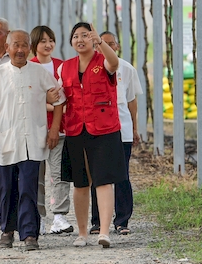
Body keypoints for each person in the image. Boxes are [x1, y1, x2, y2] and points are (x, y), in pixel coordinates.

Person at [0, 30, 64, 251]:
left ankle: (29, 234)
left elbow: (59, 100)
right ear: (7, 48)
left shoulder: (39, 72)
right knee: (6, 188)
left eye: (24, 45)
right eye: (15, 45)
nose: (20, 50)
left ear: (30, 48)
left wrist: (54, 129)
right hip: (6, 140)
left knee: (29, 188)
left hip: (33, 140)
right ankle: (7, 230)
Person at [58, 22, 126, 249]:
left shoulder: (103, 61)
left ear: (93, 39)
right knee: (80, 183)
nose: (80, 39)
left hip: (104, 129)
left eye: (85, 35)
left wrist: (101, 43)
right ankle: (82, 233)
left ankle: (104, 232)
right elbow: (59, 99)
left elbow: (114, 63)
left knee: (103, 180)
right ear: (71, 42)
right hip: (76, 129)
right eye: (76, 36)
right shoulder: (64, 68)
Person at [89, 31, 143, 235]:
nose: (107, 47)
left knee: (122, 176)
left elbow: (132, 101)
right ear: (96, 46)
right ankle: (97, 221)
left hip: (122, 128)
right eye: (102, 44)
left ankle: (122, 220)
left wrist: (135, 128)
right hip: (99, 128)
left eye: (111, 44)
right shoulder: (90, 67)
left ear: (117, 46)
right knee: (98, 176)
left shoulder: (127, 68)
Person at [29, 25, 73, 236]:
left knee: (59, 174)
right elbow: (30, 100)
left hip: (60, 128)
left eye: (51, 40)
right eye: (42, 41)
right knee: (36, 176)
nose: (48, 45)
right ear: (34, 45)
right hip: (36, 128)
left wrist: (56, 106)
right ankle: (38, 218)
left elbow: (68, 98)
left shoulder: (62, 67)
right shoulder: (29, 67)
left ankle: (59, 216)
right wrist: (53, 105)